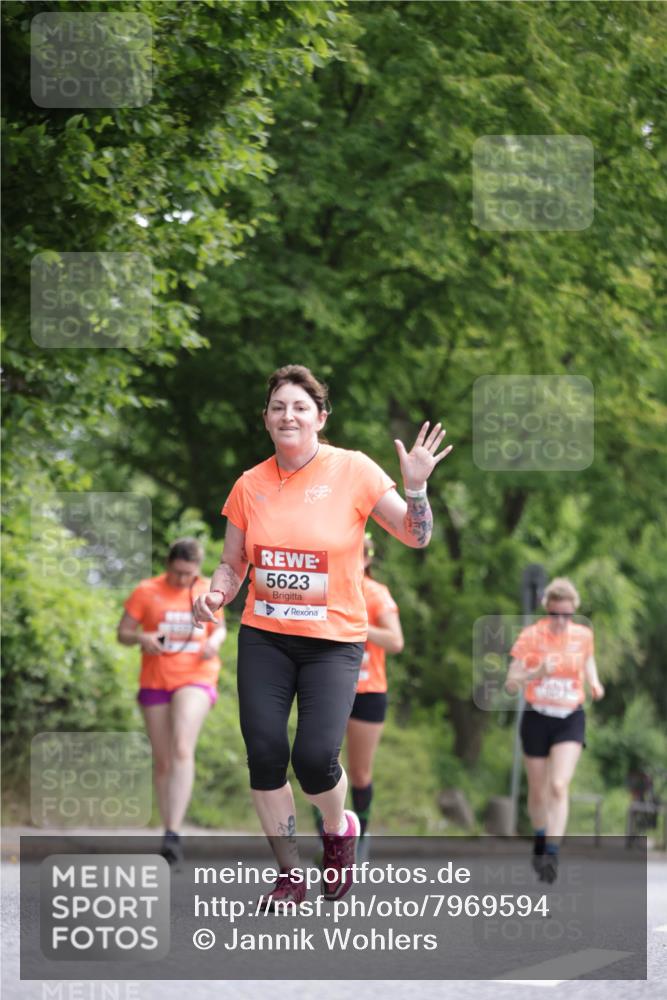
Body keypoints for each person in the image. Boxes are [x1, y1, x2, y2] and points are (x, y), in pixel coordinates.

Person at [193, 364, 452, 906]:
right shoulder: (249, 485)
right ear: (266, 419)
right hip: (265, 635)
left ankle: (338, 831)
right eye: (279, 407)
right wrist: (216, 595)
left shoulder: (353, 470)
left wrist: (418, 487)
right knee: (265, 753)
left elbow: (414, 534)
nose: (289, 415)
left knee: (314, 759)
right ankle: (290, 874)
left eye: (300, 407)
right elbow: (231, 564)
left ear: (320, 418)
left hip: (334, 642)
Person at [118, 538, 226, 865]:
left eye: (189, 574)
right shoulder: (146, 590)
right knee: (163, 759)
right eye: (178, 573)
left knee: (182, 746)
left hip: (196, 675)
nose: (183, 581)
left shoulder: (206, 589)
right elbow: (122, 633)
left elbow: (220, 629)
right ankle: (168, 828)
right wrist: (142, 637)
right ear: (168, 565)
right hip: (155, 680)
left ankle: (174, 833)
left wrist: (215, 643)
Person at [505, 577, 604, 883]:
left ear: (573, 612)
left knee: (559, 785)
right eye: (555, 614)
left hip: (570, 717)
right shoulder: (531, 636)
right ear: (547, 610)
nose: (561, 621)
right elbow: (511, 684)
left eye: (567, 615)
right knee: (538, 789)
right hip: (537, 717)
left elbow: (588, 661)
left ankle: (552, 853)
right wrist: (537, 671)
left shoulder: (583, 635)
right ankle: (539, 837)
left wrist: (595, 682)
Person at [315, 534, 403, 857]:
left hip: (368, 690)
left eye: (361, 555)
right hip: (327, 687)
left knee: (361, 771)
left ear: (367, 559)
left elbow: (396, 641)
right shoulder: (324, 587)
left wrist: (357, 627)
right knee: (320, 763)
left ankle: (360, 838)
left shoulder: (377, 594)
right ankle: (326, 836)